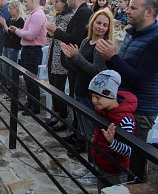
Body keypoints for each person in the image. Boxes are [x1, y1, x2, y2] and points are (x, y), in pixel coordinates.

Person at [95, 0, 158, 182]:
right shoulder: (131, 34)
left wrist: (113, 57)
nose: (127, 11)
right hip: (123, 104)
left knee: (133, 163)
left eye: (133, 7)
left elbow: (140, 79)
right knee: (116, 154)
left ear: (149, 12)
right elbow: (123, 70)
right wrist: (109, 59)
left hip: (140, 110)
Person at [61, 9, 114, 185]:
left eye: (105, 25)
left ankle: (94, 170)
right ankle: (89, 165)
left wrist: (76, 57)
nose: (101, 27)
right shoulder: (86, 41)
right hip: (80, 91)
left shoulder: (102, 46)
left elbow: (96, 71)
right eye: (98, 23)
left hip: (91, 96)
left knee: (93, 135)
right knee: (85, 132)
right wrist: (70, 56)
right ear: (92, 23)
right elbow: (77, 67)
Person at [87, 70, 137, 192]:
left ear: (111, 95)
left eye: (98, 97)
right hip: (102, 161)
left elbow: (127, 151)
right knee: (102, 188)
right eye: (92, 96)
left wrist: (112, 142)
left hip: (115, 170)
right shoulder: (102, 110)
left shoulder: (125, 120)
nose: (94, 100)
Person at [10, 0, 47, 115]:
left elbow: (30, 35)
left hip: (33, 50)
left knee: (31, 80)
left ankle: (35, 107)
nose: (25, 4)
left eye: (26, 1)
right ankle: (30, 103)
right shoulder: (34, 14)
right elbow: (28, 32)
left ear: (32, 1)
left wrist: (17, 31)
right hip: (29, 50)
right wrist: (22, 32)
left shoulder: (37, 15)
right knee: (28, 78)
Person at [46, 0, 73, 129]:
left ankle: (62, 118)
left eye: (57, 1)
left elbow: (67, 36)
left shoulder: (69, 18)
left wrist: (55, 31)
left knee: (59, 87)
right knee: (53, 86)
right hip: (53, 53)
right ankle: (55, 114)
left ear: (64, 3)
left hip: (61, 55)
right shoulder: (58, 16)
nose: (54, 3)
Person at [0, 0, 25, 91]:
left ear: (17, 9)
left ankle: (12, 90)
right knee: (4, 67)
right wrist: (4, 26)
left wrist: (5, 25)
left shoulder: (20, 21)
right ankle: (7, 87)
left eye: (11, 8)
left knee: (11, 69)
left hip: (13, 47)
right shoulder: (11, 19)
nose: (9, 10)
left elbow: (13, 35)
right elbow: (6, 32)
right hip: (6, 45)